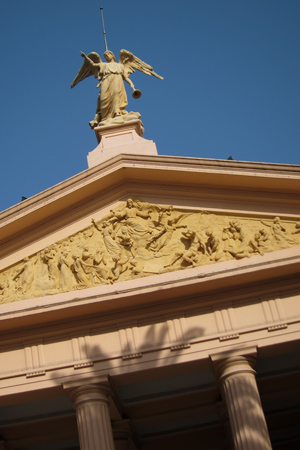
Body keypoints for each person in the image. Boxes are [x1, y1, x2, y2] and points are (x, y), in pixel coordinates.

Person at [79, 50, 135, 127]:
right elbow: (93, 64)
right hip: (106, 80)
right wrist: (85, 57)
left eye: (108, 54)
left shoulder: (120, 66)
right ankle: (104, 117)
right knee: (103, 98)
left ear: (112, 55)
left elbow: (125, 77)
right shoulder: (103, 65)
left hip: (117, 79)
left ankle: (117, 112)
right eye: (105, 55)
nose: (107, 56)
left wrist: (131, 84)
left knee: (116, 94)